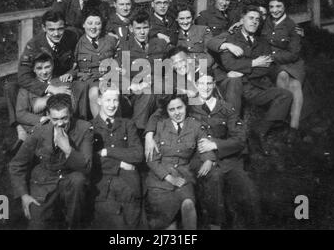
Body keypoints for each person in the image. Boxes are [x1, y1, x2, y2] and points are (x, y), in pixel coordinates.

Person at [5, 10, 88, 153]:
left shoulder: (72, 36)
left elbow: (79, 58)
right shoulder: (34, 44)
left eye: (60, 28)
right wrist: (50, 89)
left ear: (65, 27)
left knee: (81, 86)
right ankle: (20, 130)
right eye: (51, 29)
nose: (56, 33)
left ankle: (79, 124)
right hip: (39, 78)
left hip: (61, 78)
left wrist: (71, 72)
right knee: (11, 88)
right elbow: (24, 76)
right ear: (44, 28)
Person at [9, 94, 93, 229]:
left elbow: (87, 167)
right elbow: (17, 164)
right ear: (48, 115)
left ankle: (74, 224)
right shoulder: (39, 130)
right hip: (44, 183)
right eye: (55, 119)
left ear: (71, 113)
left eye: (64, 118)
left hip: (70, 181)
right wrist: (24, 195)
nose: (60, 123)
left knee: (79, 180)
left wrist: (67, 149)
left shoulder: (84, 128)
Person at [190, 69, 260, 229]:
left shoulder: (226, 108)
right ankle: (215, 226)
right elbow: (162, 112)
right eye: (201, 83)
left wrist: (215, 144)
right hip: (201, 160)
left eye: (209, 83)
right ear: (195, 85)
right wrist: (149, 134)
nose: (205, 87)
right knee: (214, 179)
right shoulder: (189, 107)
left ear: (214, 84)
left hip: (228, 160)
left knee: (249, 190)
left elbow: (240, 140)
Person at [219, 5, 293, 156]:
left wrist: (242, 69)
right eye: (250, 18)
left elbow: (265, 67)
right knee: (234, 87)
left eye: (257, 20)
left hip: (257, 88)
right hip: (237, 85)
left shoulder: (263, 42)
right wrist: (253, 62)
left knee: (286, 95)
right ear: (242, 20)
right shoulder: (231, 39)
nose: (254, 22)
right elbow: (228, 64)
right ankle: (235, 137)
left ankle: (260, 131)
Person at [145, 94, 216, 230]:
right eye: (172, 110)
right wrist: (170, 178)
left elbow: (204, 143)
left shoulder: (194, 125)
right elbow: (151, 160)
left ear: (186, 107)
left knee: (188, 203)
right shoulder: (160, 127)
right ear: (167, 111)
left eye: (180, 108)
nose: (177, 113)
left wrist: (208, 159)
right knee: (167, 221)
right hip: (160, 179)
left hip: (184, 176)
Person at [90, 85, 144, 229]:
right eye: (108, 100)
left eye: (115, 100)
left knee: (133, 223)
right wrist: (120, 164)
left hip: (128, 183)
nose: (112, 105)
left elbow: (138, 155)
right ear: (99, 101)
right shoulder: (90, 127)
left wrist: (107, 151)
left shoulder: (128, 124)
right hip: (103, 184)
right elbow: (92, 160)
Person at [261, 0, 306, 145]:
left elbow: (294, 53)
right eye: (272, 7)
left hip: (292, 63)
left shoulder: (292, 25)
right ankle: (282, 118)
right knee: (282, 76)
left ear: (284, 7)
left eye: (278, 6)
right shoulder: (264, 22)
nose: (275, 10)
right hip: (275, 65)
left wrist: (273, 56)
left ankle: (293, 128)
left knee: (296, 85)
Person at [116, 10, 170, 133]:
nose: (142, 32)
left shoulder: (159, 44)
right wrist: (132, 85)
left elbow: (172, 63)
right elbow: (116, 73)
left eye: (145, 27)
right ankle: (138, 132)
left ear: (150, 27)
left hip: (159, 86)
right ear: (131, 28)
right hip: (137, 92)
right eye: (138, 28)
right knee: (147, 93)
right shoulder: (125, 48)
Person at [72, 8, 118, 118]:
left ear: (102, 25)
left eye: (97, 23)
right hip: (88, 79)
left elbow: (119, 58)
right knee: (94, 92)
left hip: (109, 77)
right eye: (89, 23)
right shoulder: (78, 43)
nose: (93, 27)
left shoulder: (110, 40)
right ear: (83, 25)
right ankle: (100, 126)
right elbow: (73, 66)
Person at [175, 3, 214, 70]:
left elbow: (210, 53)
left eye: (188, 18)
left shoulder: (203, 30)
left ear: (192, 18)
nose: (185, 22)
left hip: (203, 68)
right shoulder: (174, 35)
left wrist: (203, 66)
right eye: (181, 19)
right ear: (176, 19)